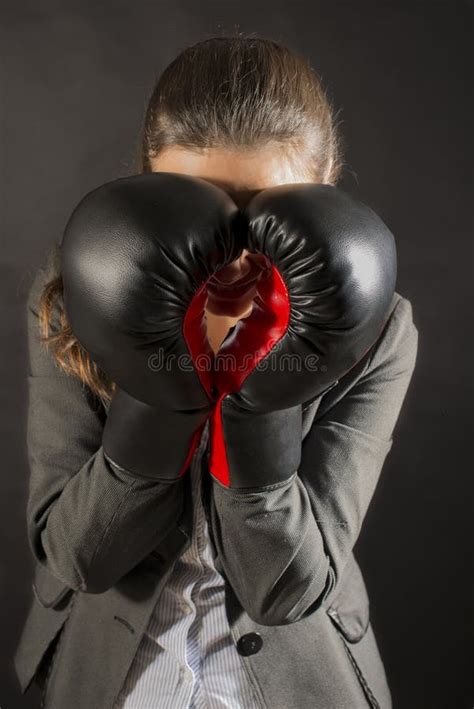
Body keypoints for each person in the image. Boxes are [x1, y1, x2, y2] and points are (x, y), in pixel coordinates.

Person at [14, 35, 418, 709]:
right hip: (111, 670)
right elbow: (79, 556)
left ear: (320, 198)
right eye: (200, 206)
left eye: (265, 212)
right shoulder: (74, 295)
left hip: (295, 678)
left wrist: (259, 405)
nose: (231, 251)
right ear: (149, 186)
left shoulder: (377, 327)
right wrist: (159, 392)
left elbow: (286, 587)